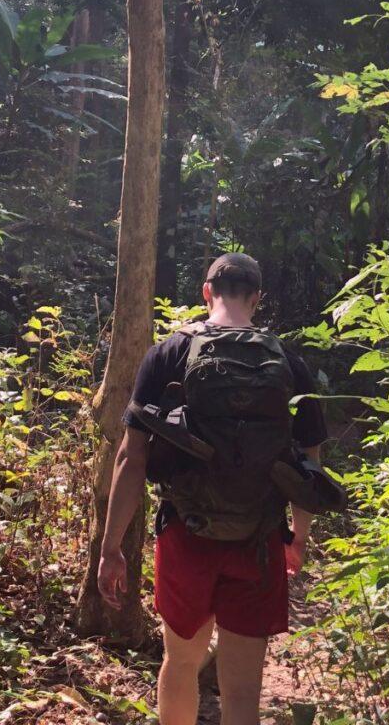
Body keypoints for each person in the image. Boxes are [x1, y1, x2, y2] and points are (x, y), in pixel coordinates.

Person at [96, 253, 328, 725]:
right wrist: (297, 538)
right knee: (242, 691)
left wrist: (112, 546)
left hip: (186, 535)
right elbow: (310, 464)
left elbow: (131, 455)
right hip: (259, 541)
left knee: (180, 664)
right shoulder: (289, 363)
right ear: (256, 299)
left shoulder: (169, 353)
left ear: (207, 292)